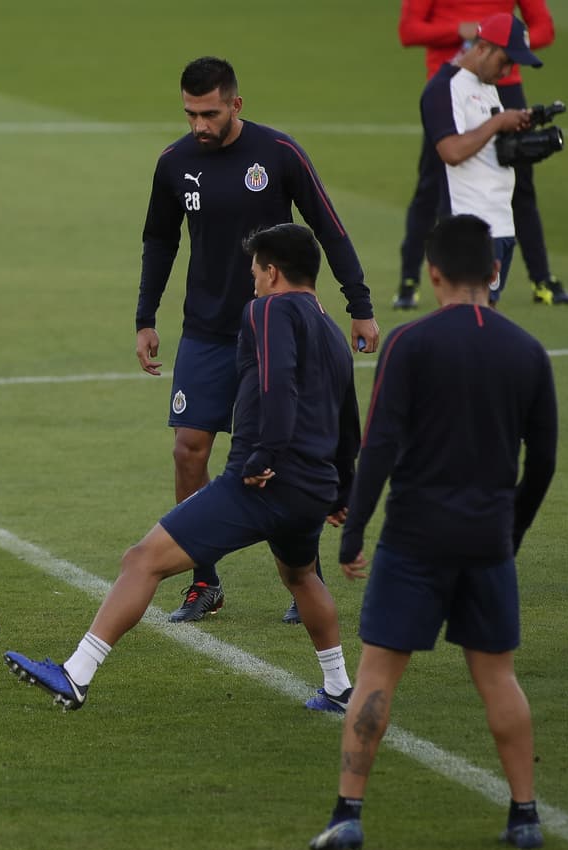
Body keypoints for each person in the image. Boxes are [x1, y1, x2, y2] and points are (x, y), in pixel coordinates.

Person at [8, 224, 361, 714]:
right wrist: (345, 488)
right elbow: (349, 420)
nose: (252, 280)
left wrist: (263, 456)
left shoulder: (267, 309)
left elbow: (277, 384)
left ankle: (76, 673)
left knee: (142, 560)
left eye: (256, 270)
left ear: (273, 272)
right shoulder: (332, 331)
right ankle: (341, 687)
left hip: (262, 482)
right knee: (301, 577)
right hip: (313, 489)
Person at [308, 214, 558, 850]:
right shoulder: (528, 352)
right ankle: (525, 815)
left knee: (377, 676)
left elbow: (382, 444)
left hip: (415, 539)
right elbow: (545, 460)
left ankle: (348, 814)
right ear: (496, 271)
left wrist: (352, 528)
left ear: (434, 274)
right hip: (486, 541)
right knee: (498, 678)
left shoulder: (409, 344)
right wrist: (513, 529)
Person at [134, 56, 379, 625]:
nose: (199, 124)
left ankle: (303, 577)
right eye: (191, 113)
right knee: (188, 449)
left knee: (284, 453)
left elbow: (328, 225)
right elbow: (158, 241)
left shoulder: (279, 153)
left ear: (235, 106)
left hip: (279, 334)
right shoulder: (174, 163)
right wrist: (145, 317)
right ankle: (204, 580)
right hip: (207, 332)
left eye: (210, 113)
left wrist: (359, 305)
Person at [394, 0, 568, 309]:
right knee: (469, 320)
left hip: (500, 227)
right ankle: (409, 280)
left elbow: (545, 27)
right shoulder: (444, 87)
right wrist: (499, 122)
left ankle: (541, 276)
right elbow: (451, 151)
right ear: (482, 48)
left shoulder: (489, 86)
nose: (507, 72)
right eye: (504, 62)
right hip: (468, 227)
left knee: (485, 322)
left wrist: (519, 140)